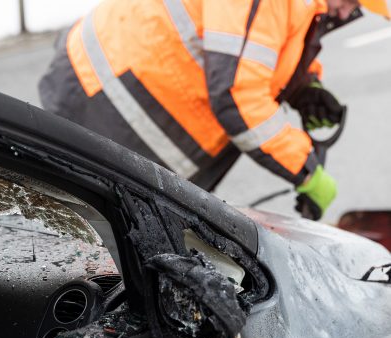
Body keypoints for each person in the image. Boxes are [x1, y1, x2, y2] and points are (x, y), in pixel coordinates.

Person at [39, 0, 390, 220]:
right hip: (105, 104)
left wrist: (304, 87)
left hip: (103, 90)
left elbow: (263, 46)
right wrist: (306, 170)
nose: (348, 12)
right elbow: (237, 96)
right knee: (88, 238)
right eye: (350, 1)